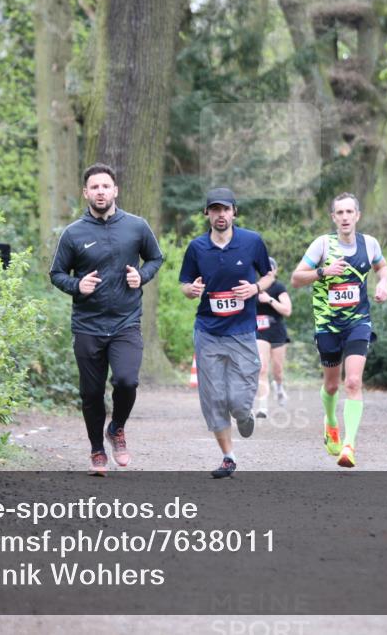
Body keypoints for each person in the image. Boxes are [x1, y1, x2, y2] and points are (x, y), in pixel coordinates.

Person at [50, 163, 164, 476]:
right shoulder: (74, 233)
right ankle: (97, 449)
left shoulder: (137, 226)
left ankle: (116, 428)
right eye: (94, 187)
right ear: (86, 193)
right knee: (91, 392)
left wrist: (141, 276)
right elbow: (56, 274)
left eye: (105, 186)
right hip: (87, 324)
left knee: (127, 381)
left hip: (126, 321)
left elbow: (156, 258)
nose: (100, 191)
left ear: (115, 190)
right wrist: (77, 285)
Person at [179, 187, 274, 478]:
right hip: (208, 331)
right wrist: (191, 290)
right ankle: (228, 457)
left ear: (234, 212)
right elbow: (185, 284)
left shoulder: (251, 242)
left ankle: (244, 415)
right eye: (215, 209)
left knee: (238, 398)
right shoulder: (197, 248)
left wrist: (255, 288)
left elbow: (270, 274)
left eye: (226, 209)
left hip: (243, 331)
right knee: (213, 396)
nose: (221, 215)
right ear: (207, 213)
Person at [290, 192, 387, 468]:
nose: (345, 217)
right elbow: (296, 279)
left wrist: (383, 284)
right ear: (333, 218)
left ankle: (349, 445)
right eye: (340, 213)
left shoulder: (369, 244)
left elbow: (382, 266)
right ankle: (331, 422)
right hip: (328, 324)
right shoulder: (322, 245)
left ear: (357, 216)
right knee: (332, 385)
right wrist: (323, 272)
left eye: (349, 212)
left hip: (359, 322)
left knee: (353, 383)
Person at [253, 257, 292, 418]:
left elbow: (287, 310)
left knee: (278, 371)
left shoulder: (278, 288)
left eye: (270, 269)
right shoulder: (253, 287)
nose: (267, 271)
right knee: (262, 368)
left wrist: (269, 300)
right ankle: (263, 407)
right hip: (259, 332)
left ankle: (280, 387)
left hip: (276, 331)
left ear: (275, 271)